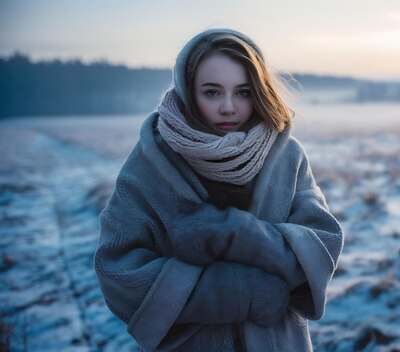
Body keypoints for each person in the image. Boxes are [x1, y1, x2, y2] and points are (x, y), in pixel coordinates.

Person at [93, 28, 344, 351]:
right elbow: (118, 270)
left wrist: (245, 236)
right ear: (188, 92)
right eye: (212, 92)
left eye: (243, 92)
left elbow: (323, 242)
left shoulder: (286, 155)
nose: (229, 107)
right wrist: (232, 292)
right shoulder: (151, 162)